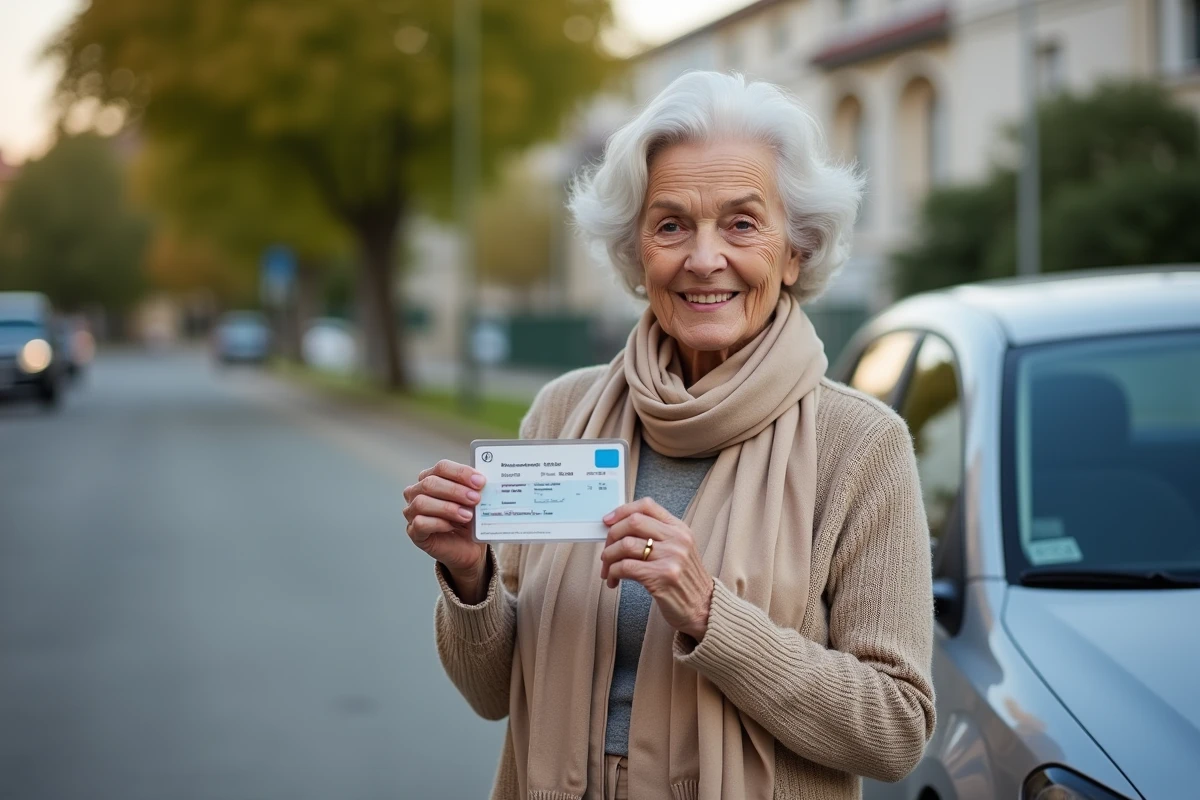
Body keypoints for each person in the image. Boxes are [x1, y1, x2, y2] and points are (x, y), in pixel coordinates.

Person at [403, 71, 935, 800]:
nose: (703, 257)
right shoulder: (564, 413)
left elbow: (896, 728)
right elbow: (493, 692)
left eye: (743, 223)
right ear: (637, 252)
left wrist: (710, 611)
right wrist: (470, 578)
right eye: (671, 224)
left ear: (795, 252)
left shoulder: (860, 445)